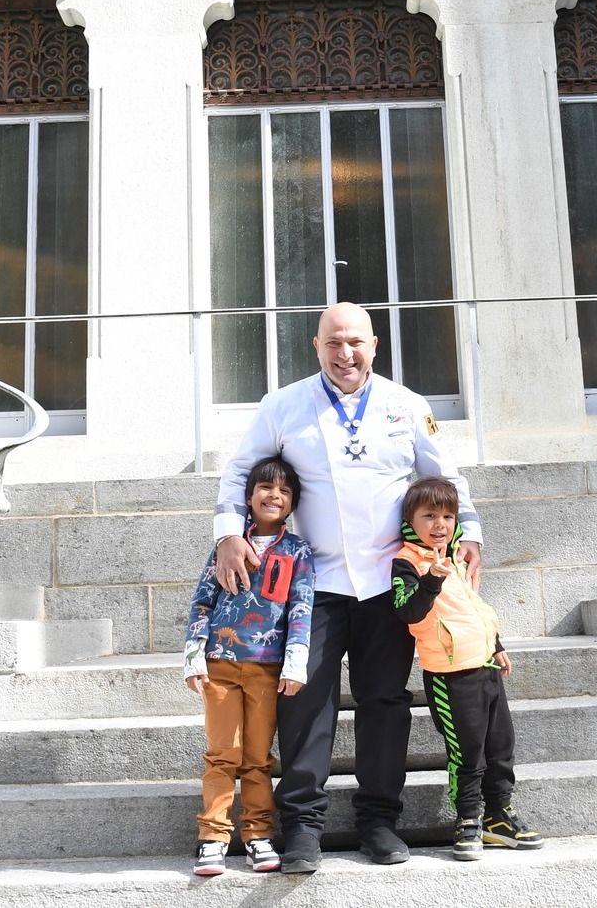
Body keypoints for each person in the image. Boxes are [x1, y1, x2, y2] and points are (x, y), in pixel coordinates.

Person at [212, 301, 483, 874]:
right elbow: (239, 472)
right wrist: (229, 533)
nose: (345, 353)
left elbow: (443, 477)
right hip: (312, 584)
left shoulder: (407, 405)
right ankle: (302, 828)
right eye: (333, 342)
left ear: (374, 345)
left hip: (389, 582)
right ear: (316, 346)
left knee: (385, 701)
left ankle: (379, 822)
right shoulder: (282, 405)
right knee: (306, 701)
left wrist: (471, 532)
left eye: (355, 341)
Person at [391, 476, 542, 859]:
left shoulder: (456, 557)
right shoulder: (408, 561)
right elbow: (407, 611)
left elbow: (472, 609)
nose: (439, 524)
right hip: (450, 674)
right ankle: (468, 818)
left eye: (447, 516)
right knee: (467, 752)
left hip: (486, 665)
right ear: (410, 521)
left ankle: (498, 817)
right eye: (429, 516)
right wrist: (431, 579)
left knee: (500, 747)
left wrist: (496, 644)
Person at [184, 456, 315, 877]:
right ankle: (212, 837)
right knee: (222, 754)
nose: (274, 496)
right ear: (249, 495)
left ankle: (258, 833)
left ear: (293, 502)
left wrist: (295, 661)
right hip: (220, 666)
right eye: (265, 487)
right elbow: (202, 601)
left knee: (257, 758)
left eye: (284, 491)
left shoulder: (297, 551)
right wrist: (193, 655)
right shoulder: (226, 545)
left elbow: (301, 608)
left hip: (267, 669)